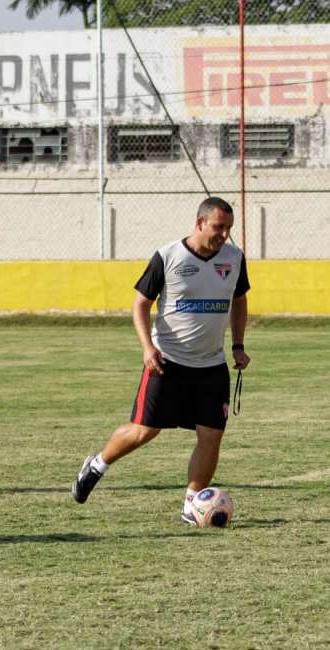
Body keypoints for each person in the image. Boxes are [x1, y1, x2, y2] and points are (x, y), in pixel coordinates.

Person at [72, 196, 250, 523]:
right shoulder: (168, 256)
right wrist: (147, 347)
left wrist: (238, 344)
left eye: (228, 228)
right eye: (218, 227)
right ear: (199, 224)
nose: (224, 234)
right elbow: (140, 303)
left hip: (212, 365)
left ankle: (191, 505)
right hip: (167, 361)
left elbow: (239, 300)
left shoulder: (234, 258)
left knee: (211, 436)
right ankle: (97, 465)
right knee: (144, 431)